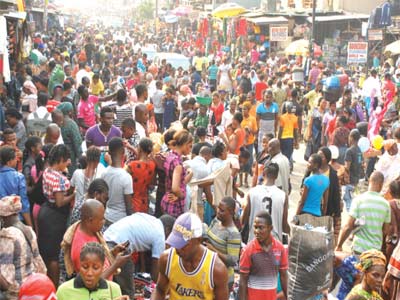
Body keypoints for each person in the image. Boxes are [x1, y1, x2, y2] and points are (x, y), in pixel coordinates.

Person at [151, 212, 229, 300]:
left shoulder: (216, 269)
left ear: (199, 240)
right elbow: (160, 289)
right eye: (176, 242)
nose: (178, 249)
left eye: (183, 244)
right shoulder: (166, 259)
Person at [104, 213, 175, 295]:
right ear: (167, 229)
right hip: (119, 246)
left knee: (112, 284)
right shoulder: (160, 235)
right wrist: (168, 291)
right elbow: (155, 274)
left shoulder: (150, 220)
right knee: (128, 291)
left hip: (107, 238)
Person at [37, 144, 74, 287]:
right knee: (53, 255)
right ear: (60, 160)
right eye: (66, 160)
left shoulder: (47, 171)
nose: (68, 163)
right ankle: (54, 287)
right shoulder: (59, 179)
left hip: (45, 211)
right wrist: (73, 195)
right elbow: (60, 202)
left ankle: (45, 283)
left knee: (45, 252)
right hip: (55, 217)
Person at [0, 196, 47, 300]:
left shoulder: (8, 236)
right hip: (32, 289)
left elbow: (5, 283)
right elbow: (41, 266)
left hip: (15, 294)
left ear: (3, 218)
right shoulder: (29, 230)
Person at [336, 171, 391, 255]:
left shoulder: (358, 200)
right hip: (375, 251)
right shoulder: (386, 204)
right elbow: (385, 231)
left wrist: (339, 245)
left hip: (359, 248)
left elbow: (348, 226)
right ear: (381, 185)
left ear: (369, 181)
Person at [239, 211, 288, 300]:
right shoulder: (248, 250)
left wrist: (288, 297)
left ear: (270, 228)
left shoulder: (280, 249)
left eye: (261, 228)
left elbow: (284, 276)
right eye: (255, 227)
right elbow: (242, 280)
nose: (257, 231)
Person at [57, 242, 128, 300]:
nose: (89, 273)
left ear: (103, 267)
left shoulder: (113, 289)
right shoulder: (63, 290)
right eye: (85, 267)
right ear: (79, 266)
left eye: (95, 268)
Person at [243, 162, 289, 242]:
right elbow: (284, 226)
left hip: (255, 240)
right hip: (274, 242)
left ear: (263, 173)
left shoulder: (252, 192)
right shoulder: (283, 196)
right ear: (277, 176)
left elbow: (243, 220)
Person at [206, 197, 241, 289]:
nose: (218, 211)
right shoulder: (216, 221)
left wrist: (213, 250)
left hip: (223, 278)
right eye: (218, 208)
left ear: (231, 213)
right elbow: (208, 236)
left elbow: (232, 261)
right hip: (210, 271)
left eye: (222, 210)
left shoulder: (233, 233)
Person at [161, 130, 193, 218]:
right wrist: (182, 195)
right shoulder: (177, 163)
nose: (190, 149)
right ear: (185, 144)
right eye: (190, 146)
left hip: (167, 200)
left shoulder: (170, 156)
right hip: (174, 206)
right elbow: (175, 188)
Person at [69, 146, 105, 225]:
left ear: (86, 158)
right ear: (98, 160)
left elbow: (70, 190)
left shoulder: (77, 173)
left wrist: (74, 193)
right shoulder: (101, 172)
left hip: (78, 211)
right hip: (92, 214)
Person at [102, 137, 133, 226]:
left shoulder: (104, 173)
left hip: (106, 217)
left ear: (109, 153)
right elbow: (128, 207)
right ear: (123, 152)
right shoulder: (126, 177)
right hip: (121, 220)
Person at [0, 146, 32, 226]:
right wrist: (30, 225)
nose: (17, 161)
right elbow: (24, 203)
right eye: (15, 158)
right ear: (9, 162)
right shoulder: (18, 177)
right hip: (16, 220)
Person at [318, 147, 342, 243]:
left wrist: (336, 212)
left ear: (327, 159)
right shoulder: (312, 169)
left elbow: (336, 194)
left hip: (326, 209)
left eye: (322, 156)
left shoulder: (332, 174)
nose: (319, 158)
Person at [126, 138, 156, 213]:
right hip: (144, 201)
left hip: (132, 201)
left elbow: (121, 176)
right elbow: (152, 183)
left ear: (139, 149)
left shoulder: (132, 165)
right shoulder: (152, 165)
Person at [343, 129, 362, 212]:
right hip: (356, 179)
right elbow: (360, 163)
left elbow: (347, 166)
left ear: (351, 138)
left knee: (348, 202)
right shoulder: (359, 151)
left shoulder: (349, 151)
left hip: (349, 179)